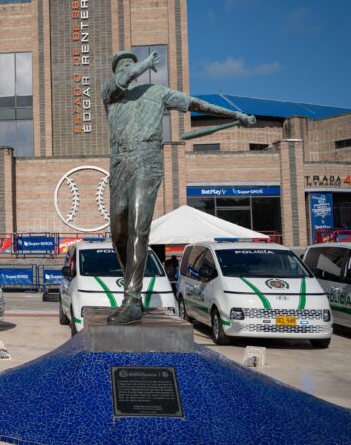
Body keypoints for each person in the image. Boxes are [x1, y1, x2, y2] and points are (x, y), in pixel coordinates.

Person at [102, 50, 256, 324]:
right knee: (118, 232)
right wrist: (144, 65)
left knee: (139, 227)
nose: (125, 69)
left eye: (130, 63)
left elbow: (194, 103)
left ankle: (132, 299)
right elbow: (122, 80)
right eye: (121, 66)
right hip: (119, 162)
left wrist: (234, 114)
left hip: (147, 159)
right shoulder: (110, 95)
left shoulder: (157, 92)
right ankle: (131, 285)